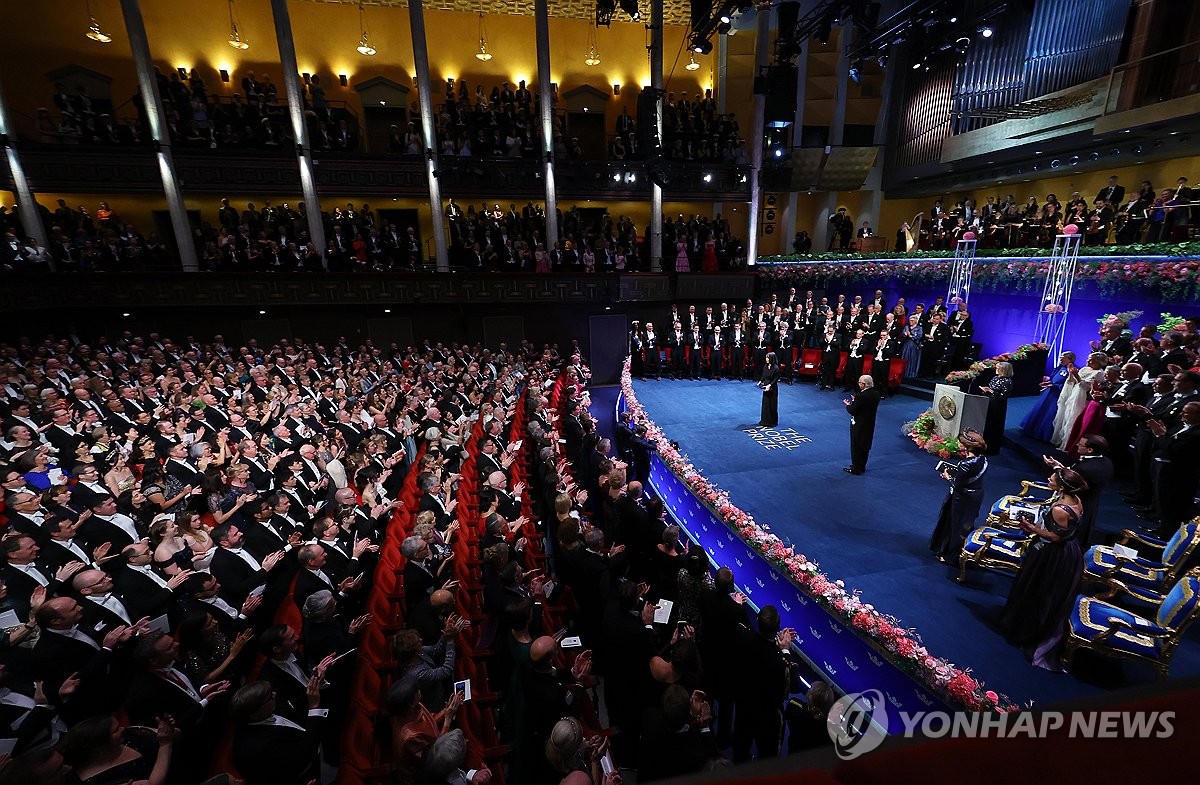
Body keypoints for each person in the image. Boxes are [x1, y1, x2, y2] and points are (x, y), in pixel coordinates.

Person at [998, 468, 1087, 671]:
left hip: (1053, 555)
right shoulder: (1077, 500)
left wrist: (1032, 529)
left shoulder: (1060, 510)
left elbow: (1056, 537)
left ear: (1062, 487)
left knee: (1039, 589)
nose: (1048, 479)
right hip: (1065, 552)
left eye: (1052, 479)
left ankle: (1026, 630)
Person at [928, 430, 989, 565]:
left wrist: (948, 477)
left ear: (966, 446)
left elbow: (958, 484)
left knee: (955, 525)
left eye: (960, 442)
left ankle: (951, 556)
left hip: (961, 499)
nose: (957, 444)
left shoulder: (966, 464)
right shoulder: (983, 459)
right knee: (965, 524)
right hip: (976, 496)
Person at [1051, 352, 1108, 451]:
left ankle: (1070, 444)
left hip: (1083, 400)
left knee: (1074, 420)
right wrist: (1071, 374)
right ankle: (1062, 440)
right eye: (1088, 359)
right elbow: (1072, 381)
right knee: (1067, 417)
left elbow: (1085, 386)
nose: (1088, 361)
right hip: (1073, 396)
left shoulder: (1100, 373)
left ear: (1099, 363)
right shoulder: (1084, 369)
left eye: (1091, 360)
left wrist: (1076, 376)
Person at [1020, 351, 1074, 443]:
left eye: (1063, 357)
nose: (1060, 359)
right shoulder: (1060, 367)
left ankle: (1044, 435)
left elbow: (1069, 385)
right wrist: (1049, 383)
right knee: (1041, 410)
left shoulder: (1072, 370)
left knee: (1050, 414)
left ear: (1069, 359)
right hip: (1050, 393)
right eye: (1060, 357)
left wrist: (1054, 386)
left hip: (1058, 395)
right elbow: (1054, 379)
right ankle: (1033, 430)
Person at [843, 375, 880, 475]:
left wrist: (848, 404)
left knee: (856, 446)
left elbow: (852, 410)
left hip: (859, 425)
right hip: (869, 424)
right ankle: (862, 466)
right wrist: (857, 401)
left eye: (860, 383)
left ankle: (856, 468)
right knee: (865, 445)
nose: (858, 384)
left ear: (864, 384)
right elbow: (866, 406)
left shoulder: (861, 396)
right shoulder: (876, 394)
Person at [979, 361, 1013, 455]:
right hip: (989, 402)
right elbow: (990, 389)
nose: (996, 370)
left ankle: (991, 448)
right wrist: (985, 390)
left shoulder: (1007, 382)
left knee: (994, 424)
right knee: (987, 423)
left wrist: (992, 392)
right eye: (996, 368)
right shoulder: (995, 378)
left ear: (1005, 370)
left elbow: (1003, 396)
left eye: (999, 368)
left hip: (998, 407)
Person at [757, 352, 780, 427]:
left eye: (768, 357)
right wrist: (760, 381)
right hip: (766, 387)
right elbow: (764, 375)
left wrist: (770, 385)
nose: (766, 359)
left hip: (772, 388)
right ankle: (765, 420)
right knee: (765, 404)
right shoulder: (765, 366)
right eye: (766, 357)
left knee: (772, 405)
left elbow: (775, 379)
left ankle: (772, 422)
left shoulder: (776, 368)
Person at [900, 314, 923, 380]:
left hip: (914, 345)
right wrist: (904, 334)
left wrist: (911, 336)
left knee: (912, 359)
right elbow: (902, 334)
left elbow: (919, 336)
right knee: (905, 357)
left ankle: (911, 373)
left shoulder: (919, 328)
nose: (911, 322)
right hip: (906, 344)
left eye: (912, 321)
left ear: (916, 321)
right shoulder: (906, 327)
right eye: (910, 320)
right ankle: (903, 373)